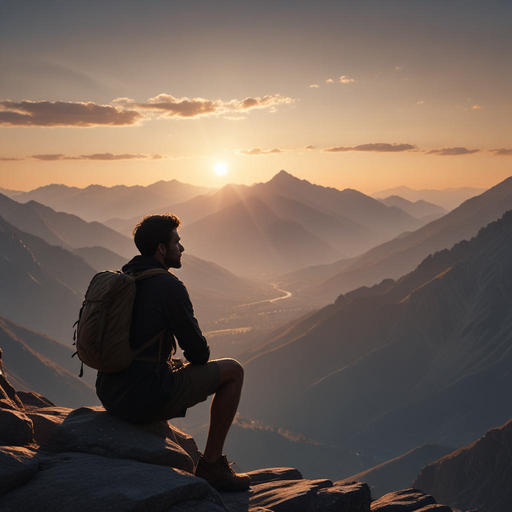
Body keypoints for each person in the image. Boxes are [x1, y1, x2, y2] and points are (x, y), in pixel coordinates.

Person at [96, 213, 251, 491]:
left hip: (109, 392)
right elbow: (199, 355)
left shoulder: (125, 276)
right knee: (234, 371)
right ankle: (212, 465)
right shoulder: (169, 286)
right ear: (162, 249)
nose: (182, 248)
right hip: (144, 397)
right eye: (177, 242)